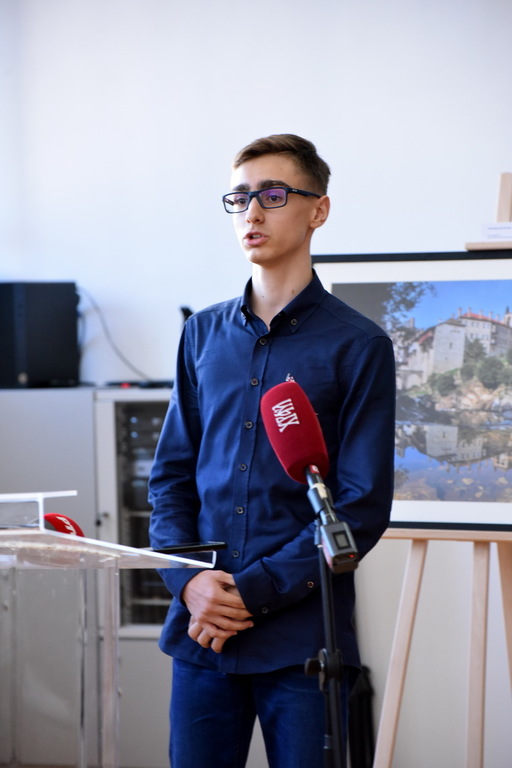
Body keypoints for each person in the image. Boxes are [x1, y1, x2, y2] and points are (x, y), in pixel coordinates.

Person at [148, 133, 395, 768]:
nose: (252, 212)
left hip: (302, 640)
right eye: (239, 198)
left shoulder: (358, 345)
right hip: (203, 634)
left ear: (319, 210)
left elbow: (360, 506)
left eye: (273, 195)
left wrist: (250, 592)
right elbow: (170, 479)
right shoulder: (201, 334)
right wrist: (188, 581)